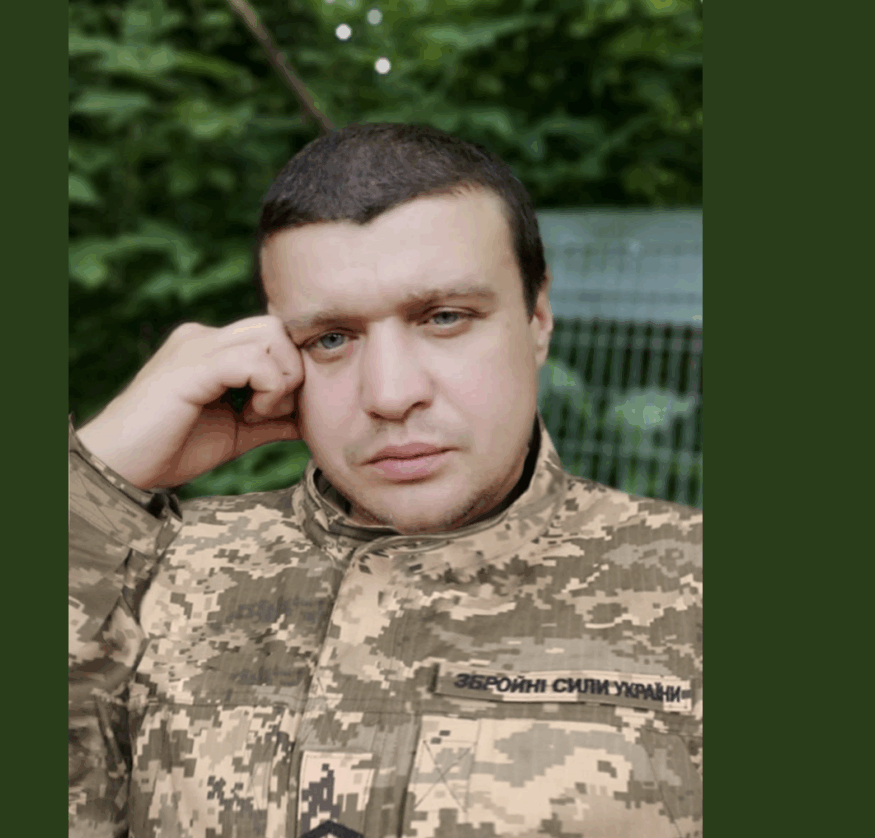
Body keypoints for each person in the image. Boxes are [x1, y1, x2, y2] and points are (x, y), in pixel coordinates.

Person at [69, 123, 702, 838]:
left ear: (537, 317)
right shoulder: (147, 567)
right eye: (331, 338)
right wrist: (96, 479)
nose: (391, 393)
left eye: (445, 317)